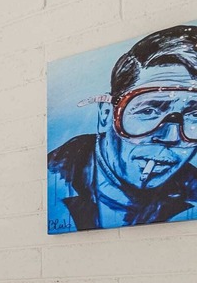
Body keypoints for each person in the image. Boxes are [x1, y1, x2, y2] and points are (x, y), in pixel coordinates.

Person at [48, 25, 197, 233]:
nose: (171, 136)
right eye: (149, 110)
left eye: (195, 115)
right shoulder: (50, 182)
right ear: (107, 115)